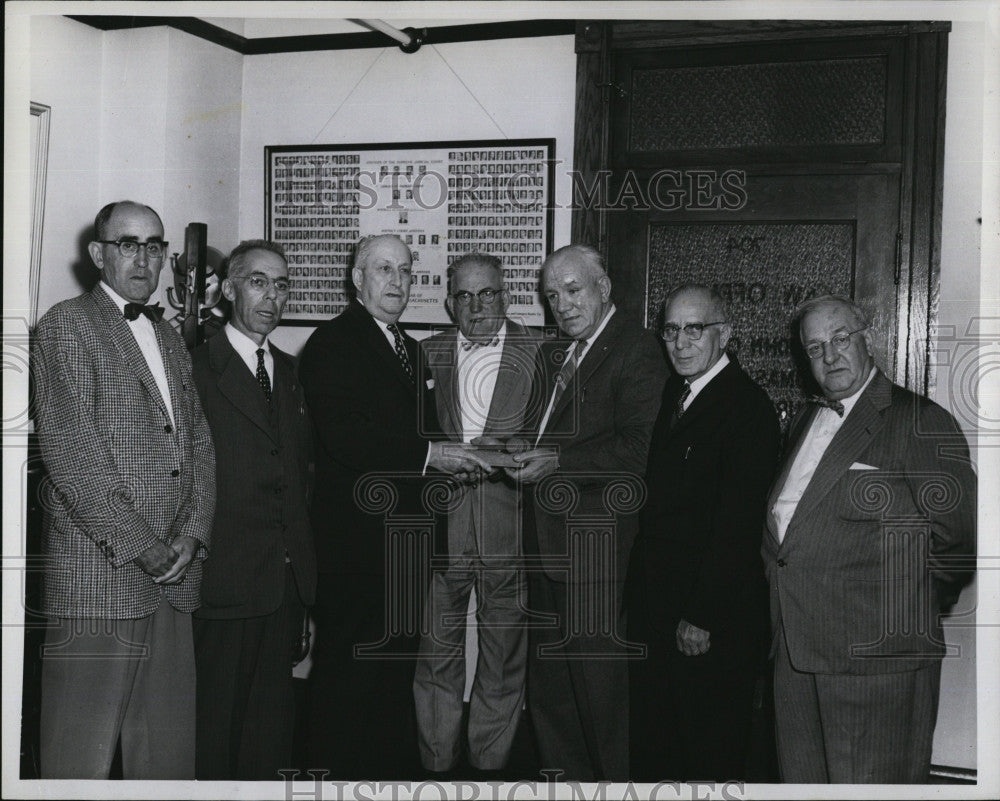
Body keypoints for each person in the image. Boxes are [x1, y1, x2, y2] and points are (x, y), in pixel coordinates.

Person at [31, 200, 215, 778]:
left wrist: (192, 537)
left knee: (165, 758)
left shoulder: (165, 334)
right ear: (98, 254)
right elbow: (74, 457)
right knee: (76, 759)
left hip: (172, 577)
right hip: (100, 574)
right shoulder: (68, 324)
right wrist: (144, 545)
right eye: (128, 244)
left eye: (155, 246)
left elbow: (200, 447)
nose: (144, 258)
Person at [298, 234, 490, 777]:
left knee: (391, 682)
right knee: (347, 680)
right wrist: (436, 455)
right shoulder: (334, 342)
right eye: (384, 269)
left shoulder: (407, 345)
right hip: (358, 551)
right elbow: (347, 439)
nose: (397, 282)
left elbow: (419, 440)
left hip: (407, 549)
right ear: (356, 279)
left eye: (406, 271)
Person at [763, 295, 976, 783]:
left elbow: (958, 544)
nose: (830, 356)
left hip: (876, 664)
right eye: (815, 348)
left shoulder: (919, 421)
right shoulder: (804, 420)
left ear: (867, 338)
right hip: (796, 655)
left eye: (840, 339)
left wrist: (897, 617)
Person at [507, 244, 667, 780]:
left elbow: (640, 449)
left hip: (597, 554)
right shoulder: (560, 352)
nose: (563, 305)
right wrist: (515, 446)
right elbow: (551, 435)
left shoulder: (637, 350)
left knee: (601, 700)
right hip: (548, 547)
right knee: (552, 696)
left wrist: (554, 460)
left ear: (605, 287)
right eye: (553, 296)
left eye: (573, 290)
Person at [628, 284, 780, 780]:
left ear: (725, 335)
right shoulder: (679, 390)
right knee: (660, 744)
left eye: (695, 329)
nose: (680, 343)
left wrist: (702, 615)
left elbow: (737, 526)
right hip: (661, 608)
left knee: (707, 752)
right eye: (671, 330)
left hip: (709, 620)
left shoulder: (746, 408)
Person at [190, 240, 317, 779]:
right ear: (230, 288)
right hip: (224, 583)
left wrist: (304, 591)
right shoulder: (195, 368)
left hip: (284, 590)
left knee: (270, 740)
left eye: (282, 284)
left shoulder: (290, 371)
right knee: (216, 733)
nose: (272, 296)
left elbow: (300, 484)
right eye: (259, 281)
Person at [414, 254, 542, 774]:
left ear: (506, 296)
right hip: (443, 526)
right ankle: (436, 765)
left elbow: (560, 437)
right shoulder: (425, 353)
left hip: (508, 525)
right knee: (435, 648)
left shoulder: (543, 353)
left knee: (503, 653)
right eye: (463, 296)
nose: (476, 305)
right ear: (449, 304)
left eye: (487, 293)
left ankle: (490, 766)